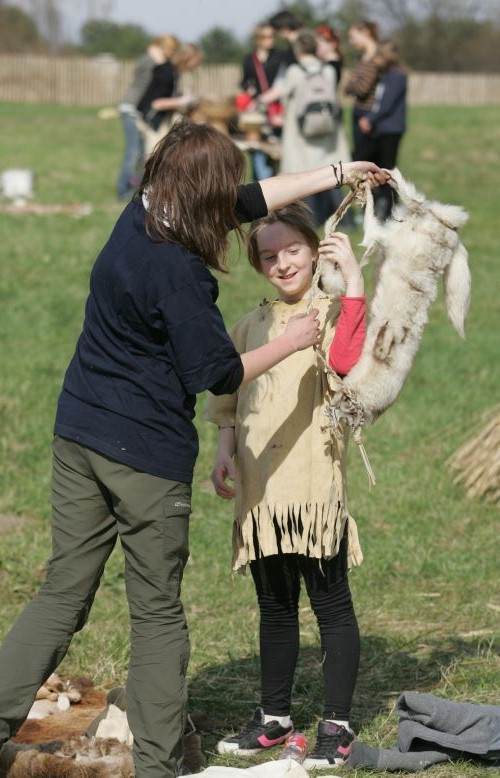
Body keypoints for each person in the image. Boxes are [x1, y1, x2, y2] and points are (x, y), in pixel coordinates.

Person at [0, 117, 389, 778]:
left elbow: (245, 201)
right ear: (198, 190)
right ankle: (157, 767)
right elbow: (218, 374)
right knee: (155, 615)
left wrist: (335, 174)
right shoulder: (179, 274)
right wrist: (292, 343)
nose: (233, 199)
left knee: (62, 592)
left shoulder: (142, 211)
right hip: (142, 458)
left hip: (77, 434)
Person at [205, 201, 367, 768]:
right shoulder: (250, 324)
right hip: (261, 493)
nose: (282, 263)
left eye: (293, 250)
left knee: (331, 607)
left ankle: (339, 726)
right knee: (274, 609)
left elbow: (347, 362)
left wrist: (352, 279)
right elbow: (225, 397)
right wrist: (224, 451)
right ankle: (274, 718)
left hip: (313, 492)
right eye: (269, 256)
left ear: (314, 248)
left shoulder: (330, 313)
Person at [261, 30, 351, 227]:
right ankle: (346, 219)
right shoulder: (328, 70)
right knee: (331, 172)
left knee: (304, 173)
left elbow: (284, 96)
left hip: (300, 132)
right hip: (327, 129)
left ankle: (311, 219)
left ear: (299, 49)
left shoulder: (294, 71)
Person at [116, 34, 180, 200]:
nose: (171, 54)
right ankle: (122, 190)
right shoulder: (149, 60)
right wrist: (155, 49)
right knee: (133, 152)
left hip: (137, 111)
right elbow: (152, 61)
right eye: (170, 50)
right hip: (130, 108)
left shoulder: (153, 61)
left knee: (141, 154)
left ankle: (133, 187)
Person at [357, 40, 408, 219]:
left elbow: (387, 103)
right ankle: (381, 206)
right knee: (378, 167)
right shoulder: (384, 75)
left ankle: (391, 208)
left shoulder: (397, 76)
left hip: (390, 129)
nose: (375, 60)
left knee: (388, 170)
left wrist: (370, 119)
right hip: (381, 128)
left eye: (378, 57)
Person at [136, 42, 200, 158]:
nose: (197, 64)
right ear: (186, 57)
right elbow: (156, 104)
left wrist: (180, 95)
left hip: (159, 122)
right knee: (154, 160)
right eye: (196, 60)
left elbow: (167, 94)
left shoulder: (174, 73)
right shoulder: (166, 72)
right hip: (152, 123)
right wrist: (183, 101)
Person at [238, 24, 285, 181]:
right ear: (258, 39)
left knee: (276, 150)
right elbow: (244, 82)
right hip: (257, 111)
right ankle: (262, 184)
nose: (270, 39)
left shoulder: (280, 57)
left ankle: (277, 182)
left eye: (272, 36)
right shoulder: (249, 60)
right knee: (258, 148)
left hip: (278, 109)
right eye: (266, 36)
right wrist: (249, 90)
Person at [343, 20, 380, 162]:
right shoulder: (361, 58)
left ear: (365, 33)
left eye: (353, 36)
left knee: (369, 159)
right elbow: (347, 87)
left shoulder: (377, 57)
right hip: (357, 110)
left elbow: (362, 88)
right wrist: (354, 84)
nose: (351, 42)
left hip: (370, 114)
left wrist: (354, 83)